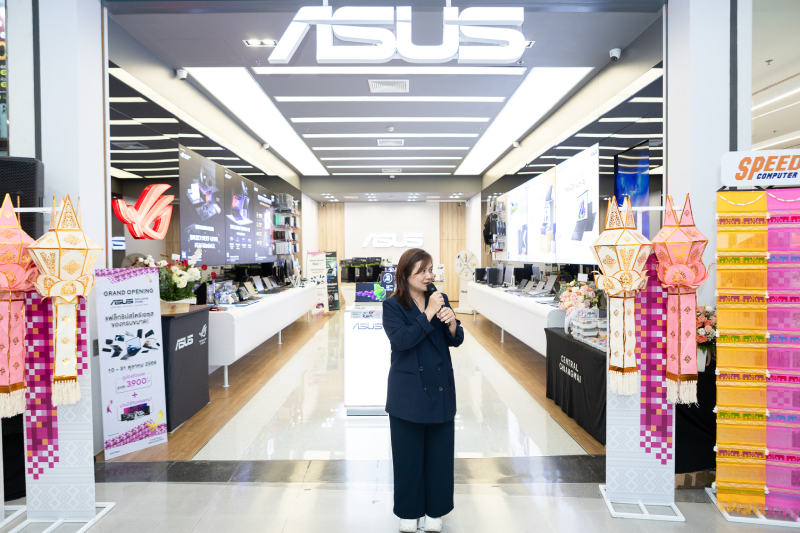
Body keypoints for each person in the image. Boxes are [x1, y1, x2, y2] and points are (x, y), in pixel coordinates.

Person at [382, 248, 464, 533]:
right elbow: (402, 341)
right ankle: (409, 511)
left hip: (440, 386)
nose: (429, 276)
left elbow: (455, 339)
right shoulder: (392, 305)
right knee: (408, 455)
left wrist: (452, 324)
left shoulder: (439, 297)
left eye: (430, 269)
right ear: (405, 275)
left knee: (439, 456)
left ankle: (435, 511)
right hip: (408, 390)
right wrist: (428, 313)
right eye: (422, 271)